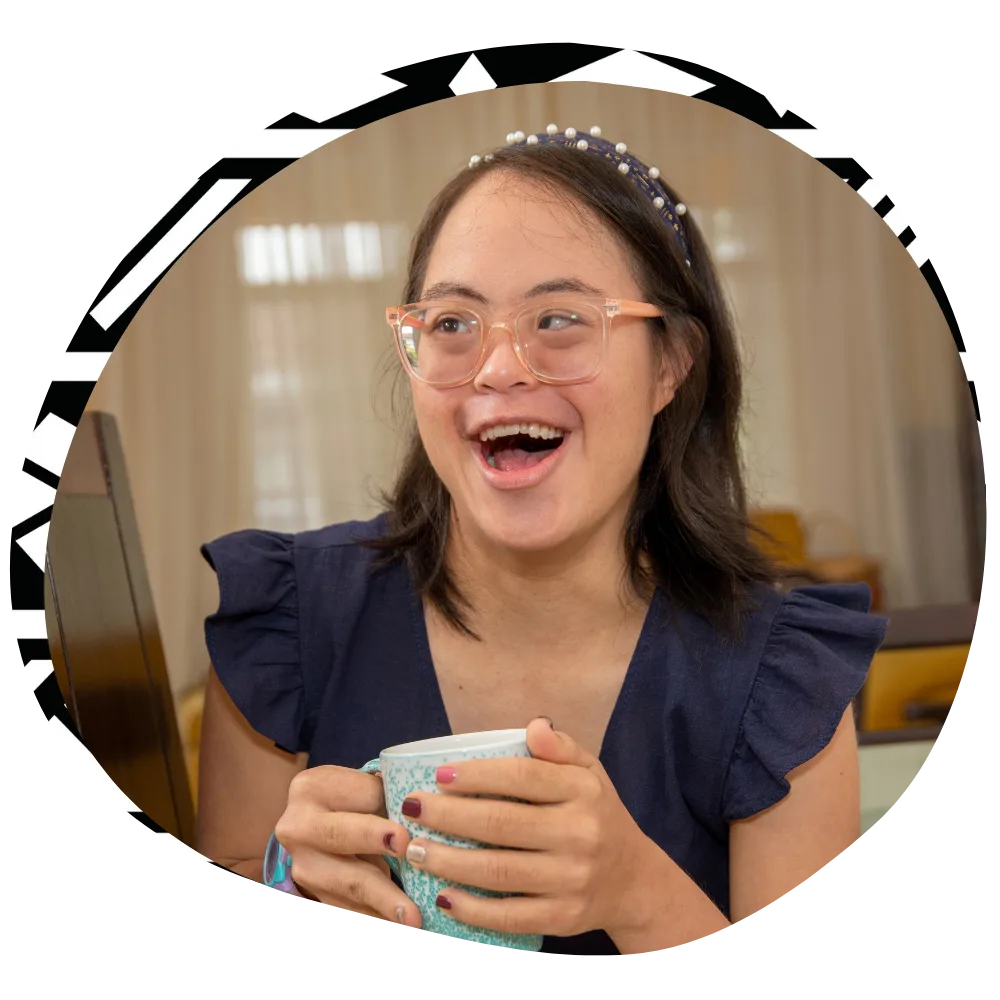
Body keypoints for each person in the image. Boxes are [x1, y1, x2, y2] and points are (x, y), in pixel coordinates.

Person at [194, 124, 887, 959]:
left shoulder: (782, 684)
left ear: (671, 364)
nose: (497, 369)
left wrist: (638, 894)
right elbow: (250, 864)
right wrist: (289, 877)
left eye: (559, 319)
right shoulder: (287, 624)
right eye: (453, 322)